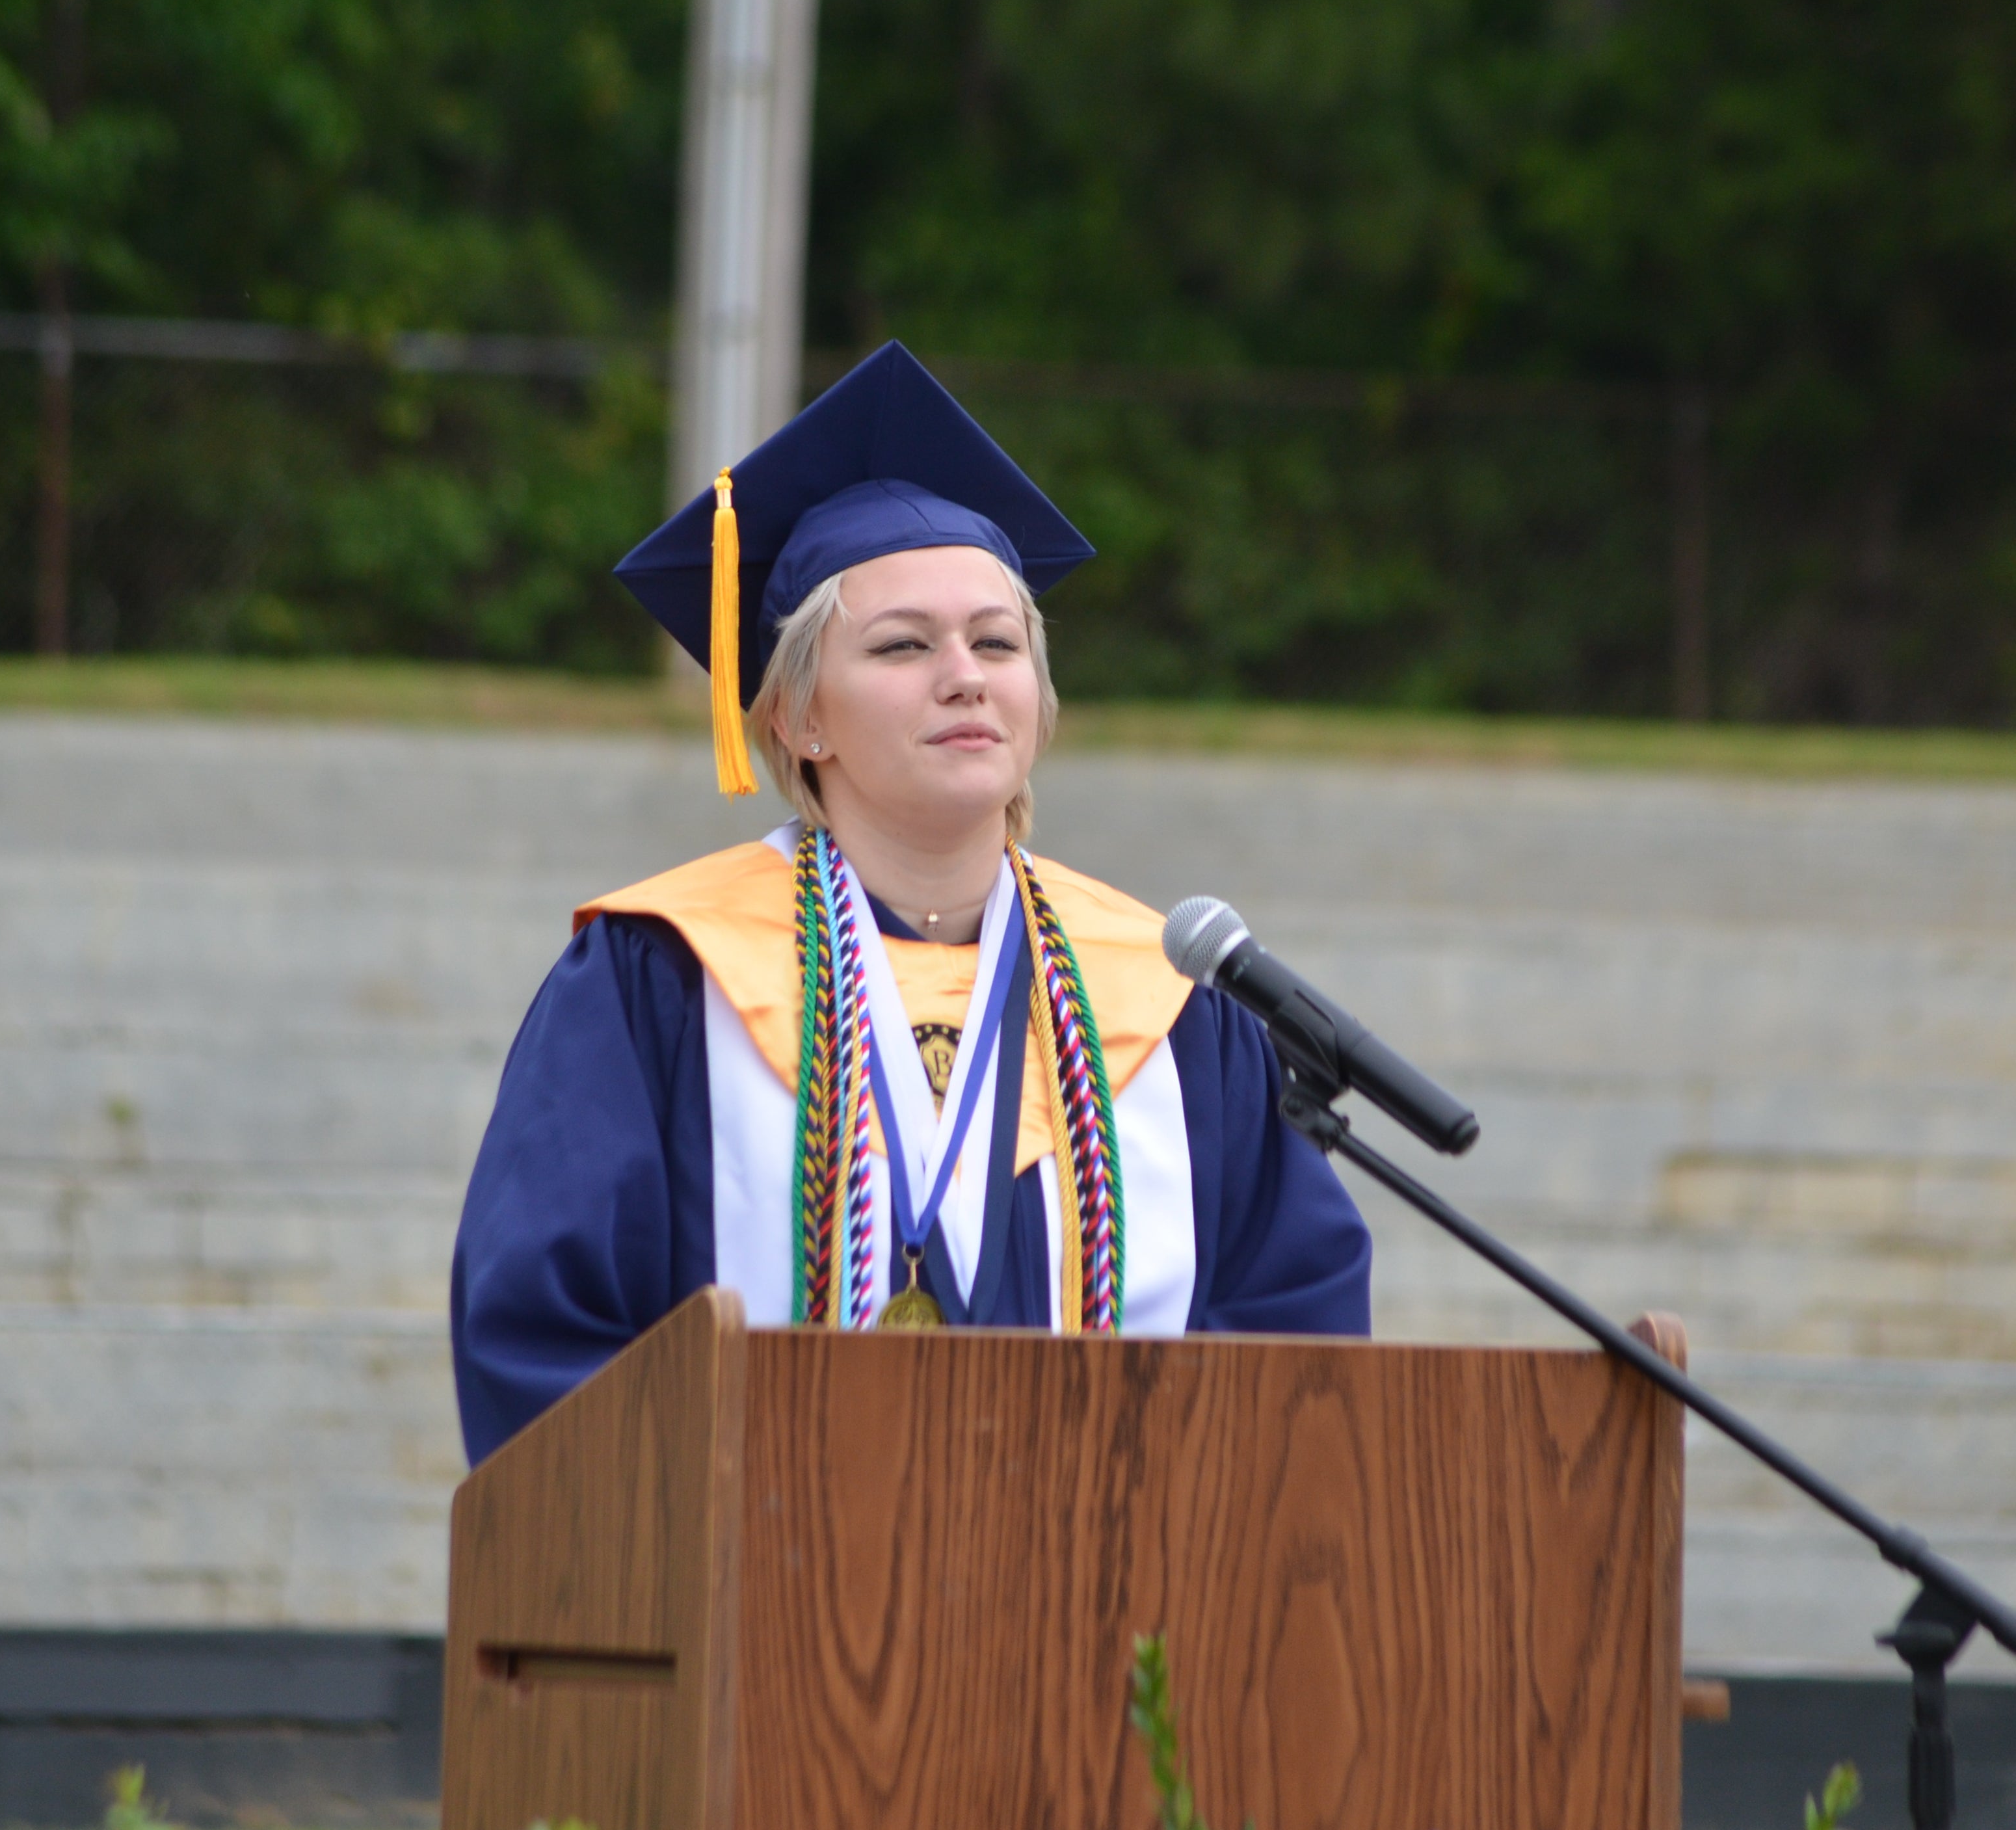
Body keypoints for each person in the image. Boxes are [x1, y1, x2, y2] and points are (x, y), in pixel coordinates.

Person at [450, 343, 1372, 1462]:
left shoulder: (1169, 999)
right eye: (903, 645)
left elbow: (1293, 1338)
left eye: (997, 642)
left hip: (1113, 1610)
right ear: (797, 720)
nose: (965, 673)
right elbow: (545, 1339)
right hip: (756, 1599)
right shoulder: (662, 978)